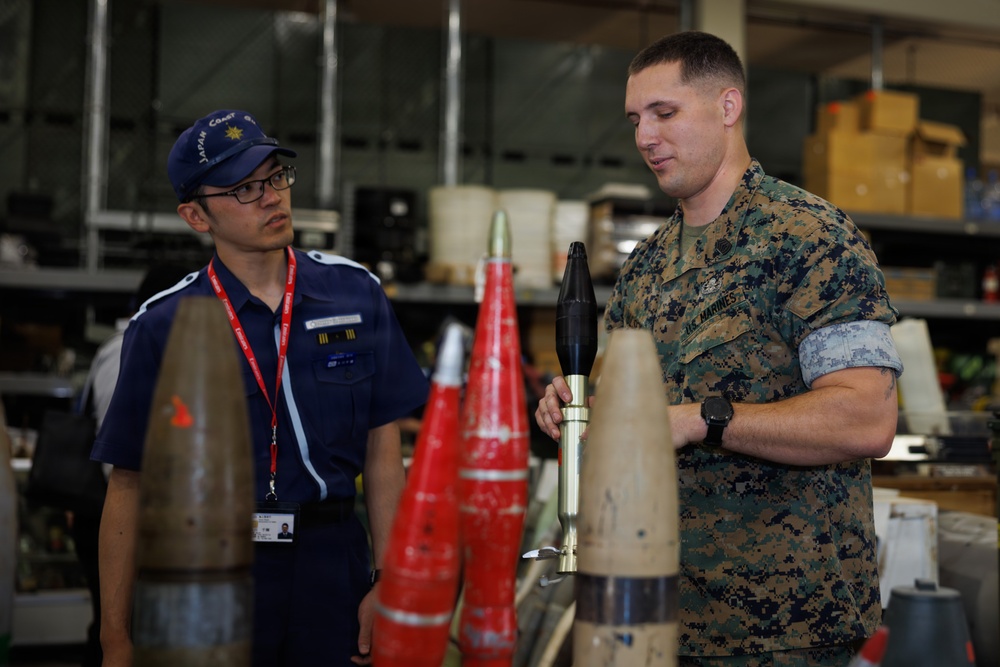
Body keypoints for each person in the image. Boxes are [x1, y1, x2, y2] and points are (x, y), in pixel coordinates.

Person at [535, 31, 903, 666]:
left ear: (728, 107)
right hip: (656, 610)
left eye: (664, 113)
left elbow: (867, 419)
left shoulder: (810, 238)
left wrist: (700, 420)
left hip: (782, 629)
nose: (645, 137)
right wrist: (576, 410)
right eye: (635, 119)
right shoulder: (647, 265)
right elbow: (627, 418)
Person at [92, 109, 428, 667]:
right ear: (195, 216)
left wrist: (387, 578)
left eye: (275, 177)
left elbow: (382, 449)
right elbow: (128, 485)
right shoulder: (162, 326)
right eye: (244, 188)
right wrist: (115, 639)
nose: (272, 197)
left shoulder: (354, 294)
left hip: (330, 564)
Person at [71, 263, 193, 667]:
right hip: (114, 514)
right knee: (117, 631)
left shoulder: (162, 345)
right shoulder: (125, 347)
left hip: (140, 513)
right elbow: (120, 458)